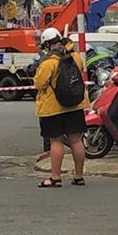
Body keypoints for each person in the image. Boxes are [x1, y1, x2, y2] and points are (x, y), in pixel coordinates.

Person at [33, 28, 88, 188]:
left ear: (47, 44)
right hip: (76, 105)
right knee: (76, 140)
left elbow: (40, 83)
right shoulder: (75, 56)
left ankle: (55, 178)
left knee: (56, 141)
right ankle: (79, 176)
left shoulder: (48, 62)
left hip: (53, 108)